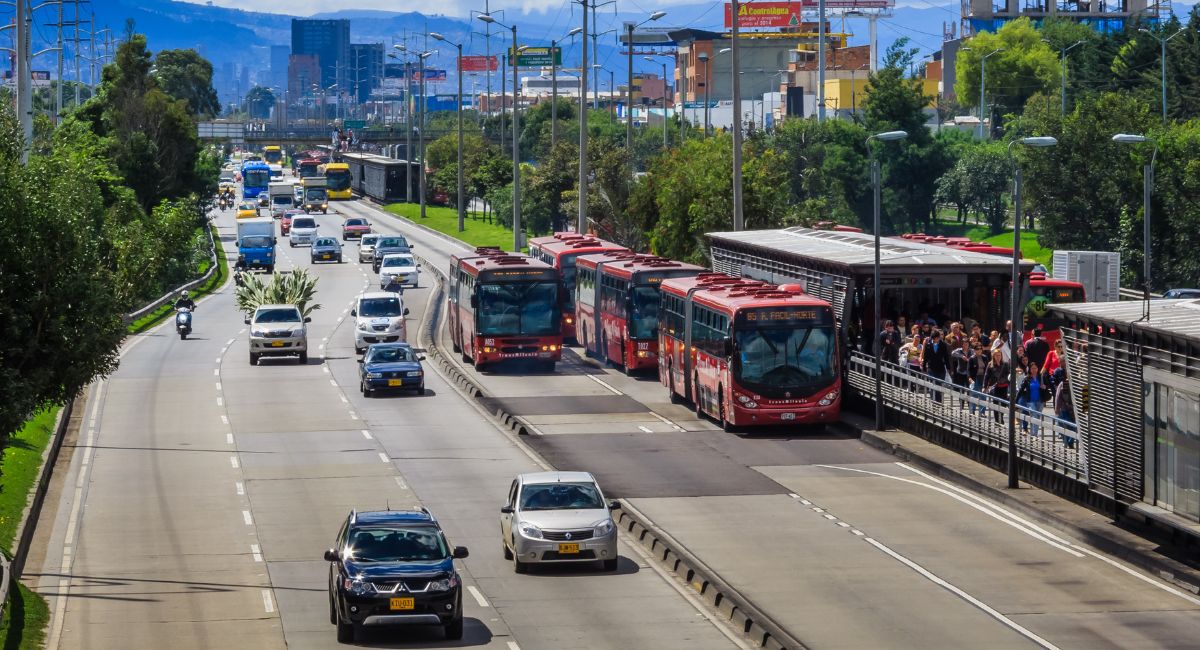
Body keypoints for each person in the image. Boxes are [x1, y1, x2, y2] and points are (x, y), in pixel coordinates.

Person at [922, 329, 951, 403]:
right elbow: (925, 357)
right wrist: (924, 367)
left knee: (939, 385)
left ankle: (939, 401)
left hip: (941, 368)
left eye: (937, 338)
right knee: (932, 384)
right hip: (931, 367)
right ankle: (933, 400)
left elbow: (946, 357)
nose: (936, 340)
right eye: (934, 338)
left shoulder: (943, 344)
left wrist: (948, 368)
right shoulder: (928, 344)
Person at [1017, 362, 1044, 436]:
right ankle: (1034, 435)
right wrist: (1016, 400)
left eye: (1035, 368)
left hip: (1040, 401)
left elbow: (1046, 386)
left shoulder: (1040, 377)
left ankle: (1033, 433)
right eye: (1032, 368)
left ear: (1038, 369)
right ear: (1030, 369)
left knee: (1037, 418)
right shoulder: (1027, 378)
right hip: (1030, 401)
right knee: (1034, 416)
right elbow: (1021, 390)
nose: (1034, 370)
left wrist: (1044, 387)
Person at [984, 348, 1010, 424]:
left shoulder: (1005, 364)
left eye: (999, 355)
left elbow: (1009, 374)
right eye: (996, 355)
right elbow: (986, 376)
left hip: (1004, 386)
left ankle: (1000, 417)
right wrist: (984, 386)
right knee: (996, 403)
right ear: (993, 356)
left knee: (1004, 404)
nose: (998, 357)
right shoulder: (990, 365)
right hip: (995, 387)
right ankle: (997, 420)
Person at [968, 337, 990, 415]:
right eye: (977, 349)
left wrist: (988, 379)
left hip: (983, 378)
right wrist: (970, 378)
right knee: (974, 394)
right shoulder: (971, 358)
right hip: (975, 378)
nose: (979, 350)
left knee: (983, 395)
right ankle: (972, 410)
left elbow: (988, 369)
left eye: (980, 348)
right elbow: (969, 370)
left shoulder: (985, 357)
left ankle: (982, 412)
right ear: (974, 350)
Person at [950, 336, 973, 410]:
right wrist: (961, 356)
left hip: (969, 373)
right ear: (962, 344)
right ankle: (961, 404)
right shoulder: (959, 350)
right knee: (961, 389)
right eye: (964, 344)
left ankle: (970, 405)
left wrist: (970, 359)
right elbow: (952, 353)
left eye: (967, 344)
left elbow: (975, 355)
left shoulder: (971, 351)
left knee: (969, 389)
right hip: (960, 372)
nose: (966, 345)